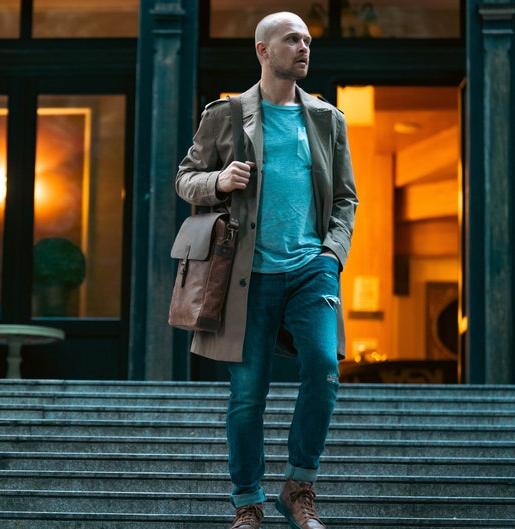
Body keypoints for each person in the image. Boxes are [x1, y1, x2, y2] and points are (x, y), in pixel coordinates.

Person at [175, 11, 358, 529]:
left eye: (307, 40)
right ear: (262, 50)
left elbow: (345, 198)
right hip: (245, 275)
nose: (304, 47)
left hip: (311, 269)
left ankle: (298, 486)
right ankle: (247, 503)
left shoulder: (327, 118)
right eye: (292, 39)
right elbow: (185, 180)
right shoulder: (226, 114)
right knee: (247, 395)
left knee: (324, 369)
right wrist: (218, 181)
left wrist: (332, 253)